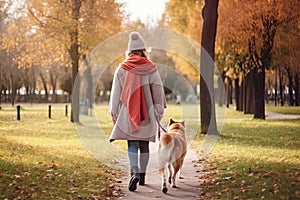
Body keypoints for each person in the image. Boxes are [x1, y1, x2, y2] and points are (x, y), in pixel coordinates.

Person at [108, 31, 166, 191]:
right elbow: (158, 89)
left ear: (130, 51)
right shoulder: (151, 67)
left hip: (128, 113)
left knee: (132, 143)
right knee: (145, 145)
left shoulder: (122, 68)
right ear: (143, 50)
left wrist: (113, 111)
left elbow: (115, 91)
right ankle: (142, 176)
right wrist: (159, 109)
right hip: (147, 113)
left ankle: (133, 172)